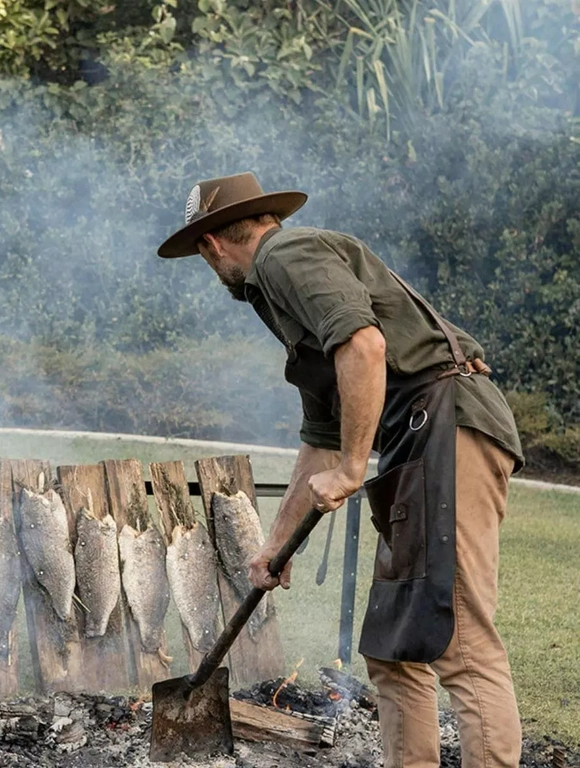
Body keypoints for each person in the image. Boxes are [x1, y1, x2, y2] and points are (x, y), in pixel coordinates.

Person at [158, 172, 525, 768]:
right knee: (394, 649)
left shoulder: (284, 257)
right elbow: (322, 440)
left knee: (457, 637)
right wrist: (274, 547)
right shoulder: (283, 288)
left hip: (448, 430)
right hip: (420, 443)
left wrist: (356, 467)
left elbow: (364, 344)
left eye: (201, 256)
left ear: (210, 244)